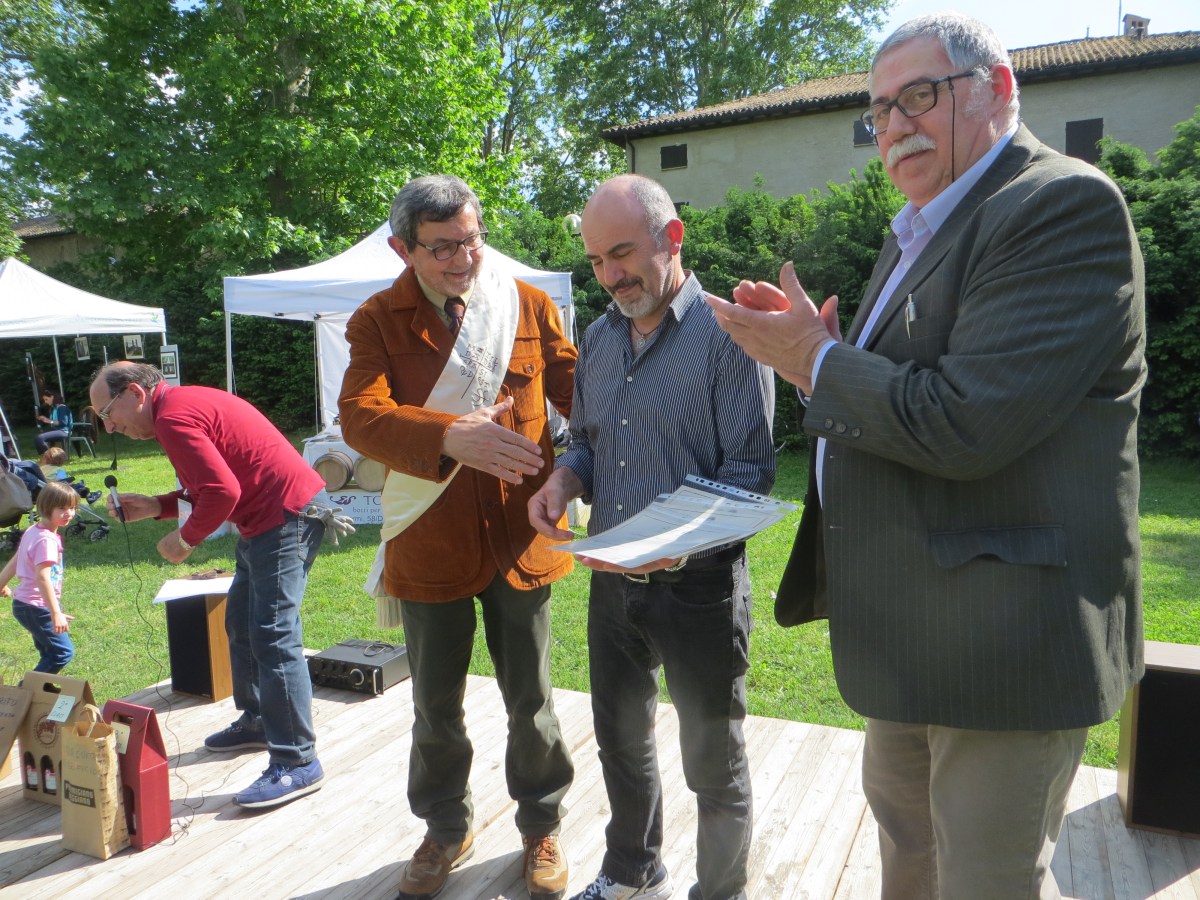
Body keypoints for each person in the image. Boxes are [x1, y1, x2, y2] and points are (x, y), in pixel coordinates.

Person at [707, 13, 1146, 898]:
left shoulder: (1059, 204)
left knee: (983, 881)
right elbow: (905, 392)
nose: (894, 125)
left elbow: (967, 422)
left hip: (1007, 649)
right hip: (917, 631)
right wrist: (820, 359)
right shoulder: (921, 226)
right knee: (910, 857)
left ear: (998, 89)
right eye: (878, 110)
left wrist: (817, 360)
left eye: (918, 96)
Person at [529, 174, 776, 900]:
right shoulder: (599, 338)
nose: (610, 276)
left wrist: (682, 541)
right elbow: (587, 441)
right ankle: (632, 870)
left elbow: (750, 473)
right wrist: (563, 481)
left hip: (698, 588)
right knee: (620, 741)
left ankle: (719, 892)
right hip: (612, 583)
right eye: (596, 260)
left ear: (673, 238)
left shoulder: (729, 334)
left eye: (622, 253)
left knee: (712, 760)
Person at [337, 175, 578, 900]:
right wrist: (450, 436)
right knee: (435, 707)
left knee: (532, 700)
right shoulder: (376, 320)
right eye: (441, 248)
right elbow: (360, 416)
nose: (462, 258)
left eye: (470, 240)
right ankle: (445, 829)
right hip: (429, 541)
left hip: (521, 535)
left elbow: (583, 391)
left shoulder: (526, 303)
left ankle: (542, 825)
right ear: (402, 249)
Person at [88, 361, 330, 810]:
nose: (110, 426)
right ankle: (260, 720)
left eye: (107, 413)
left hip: (284, 516)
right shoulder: (176, 410)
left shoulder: (173, 418)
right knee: (241, 622)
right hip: (268, 517)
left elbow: (222, 492)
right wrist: (155, 506)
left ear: (135, 394)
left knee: (274, 636)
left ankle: (297, 761)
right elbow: (213, 486)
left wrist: (184, 540)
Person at [0, 481, 78, 673]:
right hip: (36, 607)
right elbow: (43, 577)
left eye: (72, 508)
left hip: (27, 606)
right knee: (62, 652)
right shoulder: (46, 540)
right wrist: (55, 613)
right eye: (62, 508)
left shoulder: (34, 530)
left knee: (50, 653)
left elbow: (17, 559)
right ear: (46, 507)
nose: (69, 513)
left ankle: (42, 688)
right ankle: (28, 688)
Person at [34, 390, 71, 455]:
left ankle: (46, 457)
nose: (45, 402)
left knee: (40, 438)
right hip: (57, 430)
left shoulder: (62, 408)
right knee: (39, 437)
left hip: (64, 431)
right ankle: (49, 456)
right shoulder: (54, 408)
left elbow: (63, 422)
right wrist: (45, 420)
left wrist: (48, 420)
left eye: (46, 399)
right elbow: (53, 422)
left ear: (52, 397)